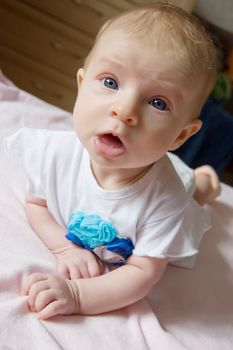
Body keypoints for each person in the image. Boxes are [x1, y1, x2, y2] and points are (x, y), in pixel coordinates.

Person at [4, 4, 221, 319]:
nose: (124, 109)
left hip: (174, 179)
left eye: (158, 103)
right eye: (110, 82)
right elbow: (36, 204)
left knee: (193, 191)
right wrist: (65, 248)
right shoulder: (54, 153)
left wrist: (78, 294)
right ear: (81, 85)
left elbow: (142, 272)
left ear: (180, 136)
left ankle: (202, 183)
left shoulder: (166, 201)